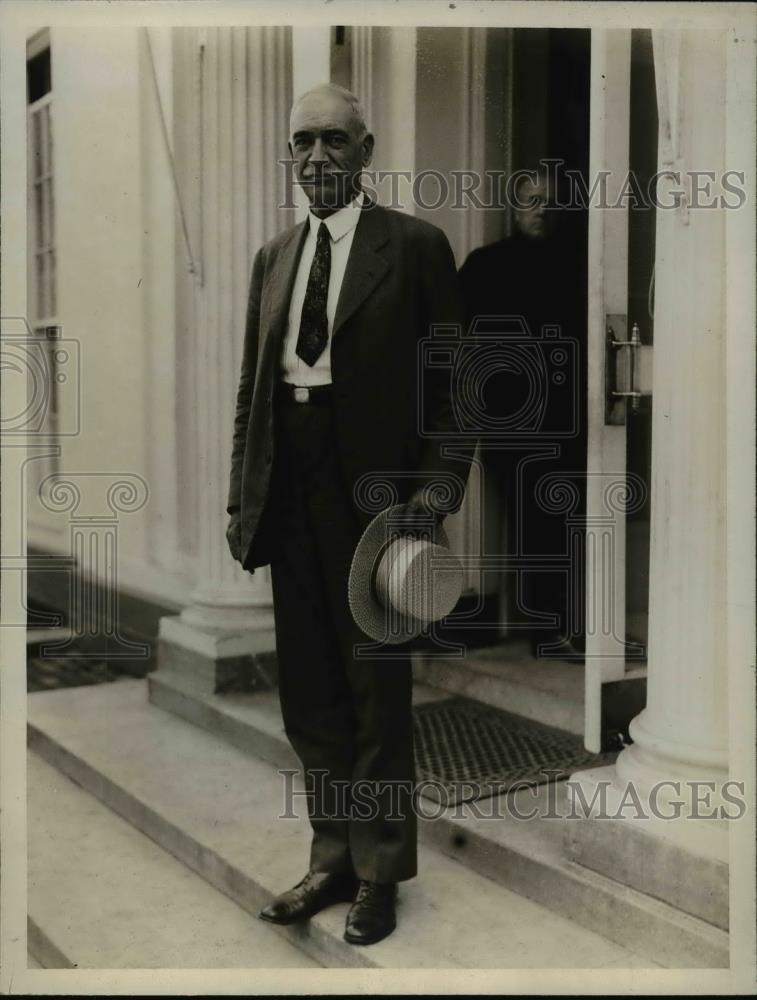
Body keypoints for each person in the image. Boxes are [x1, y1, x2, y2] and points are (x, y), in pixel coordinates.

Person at [225, 83, 470, 946]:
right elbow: (253, 392)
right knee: (310, 693)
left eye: (334, 141)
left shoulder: (414, 248)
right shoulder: (273, 257)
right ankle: (331, 856)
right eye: (302, 143)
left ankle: (379, 872)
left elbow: (453, 388)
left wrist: (432, 499)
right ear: (289, 157)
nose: (317, 158)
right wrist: (240, 504)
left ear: (366, 151)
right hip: (289, 485)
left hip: (376, 499)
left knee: (375, 686)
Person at [459, 169, 587, 660]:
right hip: (511, 420)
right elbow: (450, 333)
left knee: (565, 518)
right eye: (532, 200)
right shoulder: (487, 265)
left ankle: (561, 627)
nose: (541, 209)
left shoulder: (579, 265)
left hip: (569, 418)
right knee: (535, 521)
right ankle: (549, 630)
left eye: (550, 202)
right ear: (514, 209)